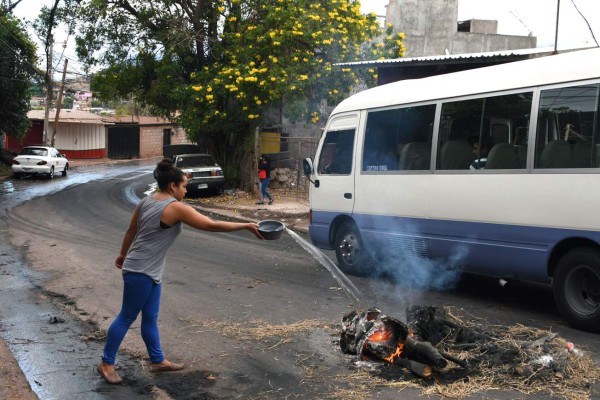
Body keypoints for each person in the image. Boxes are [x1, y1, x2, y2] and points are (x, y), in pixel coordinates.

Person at [97, 158, 263, 385]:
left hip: (146, 268)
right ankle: (107, 363)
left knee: (150, 317)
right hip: (140, 270)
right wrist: (244, 226)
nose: (186, 190)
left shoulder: (146, 202)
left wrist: (123, 254)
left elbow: (131, 230)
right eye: (184, 186)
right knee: (127, 316)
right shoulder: (174, 207)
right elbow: (211, 225)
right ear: (172, 186)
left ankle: (157, 360)